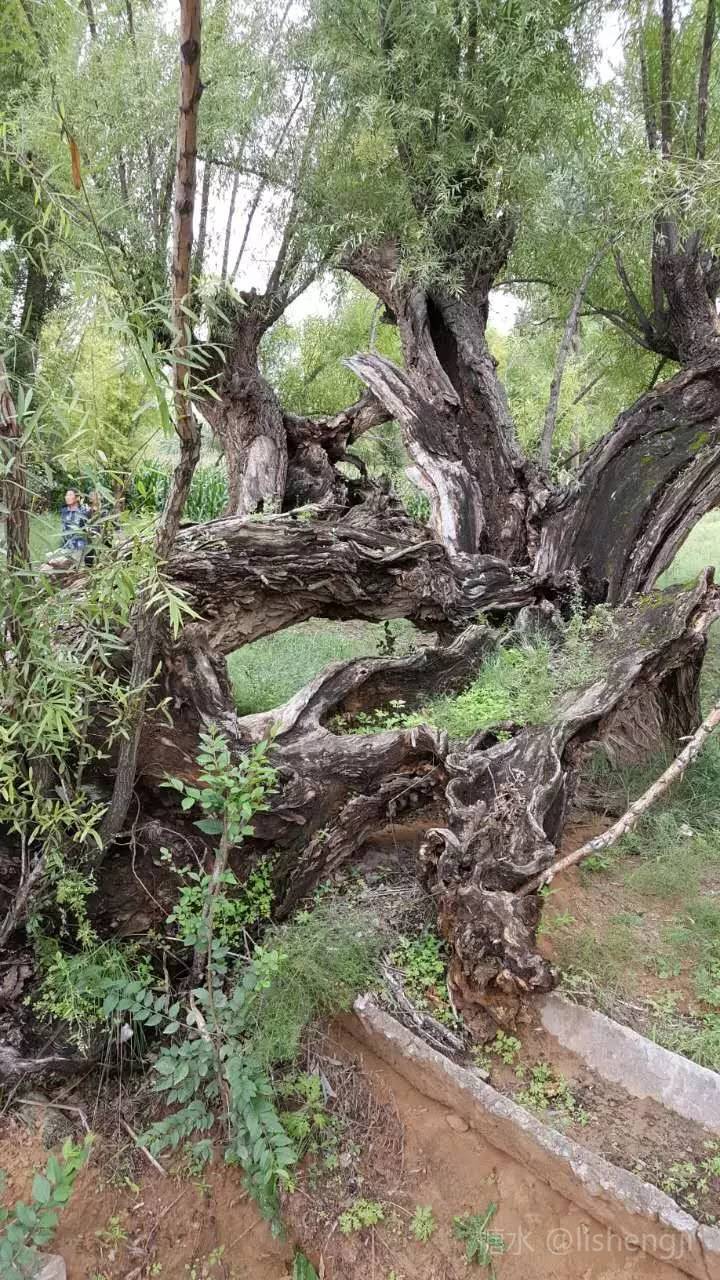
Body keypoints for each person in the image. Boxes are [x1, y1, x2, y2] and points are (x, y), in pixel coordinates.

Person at [59, 488, 90, 560]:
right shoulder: (64, 511)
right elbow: (64, 530)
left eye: (70, 495)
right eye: (66, 495)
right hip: (66, 546)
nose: (67, 497)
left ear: (77, 498)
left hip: (78, 546)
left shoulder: (83, 510)